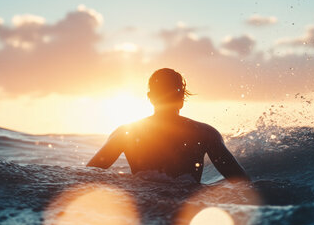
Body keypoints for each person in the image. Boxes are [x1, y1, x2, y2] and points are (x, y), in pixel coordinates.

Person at [87, 68, 250, 183]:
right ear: (181, 97)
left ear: (150, 97)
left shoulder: (126, 133)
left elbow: (86, 176)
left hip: (145, 206)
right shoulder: (204, 133)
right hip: (186, 209)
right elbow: (243, 184)